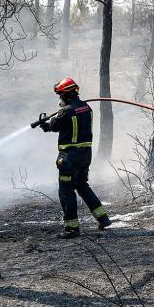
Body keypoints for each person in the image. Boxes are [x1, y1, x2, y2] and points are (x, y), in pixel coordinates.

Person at [41, 77, 111, 239]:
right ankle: (103, 217)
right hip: (85, 155)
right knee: (82, 185)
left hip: (68, 157)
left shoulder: (65, 111)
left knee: (66, 192)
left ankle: (72, 229)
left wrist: (46, 125)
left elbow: (54, 126)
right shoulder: (86, 107)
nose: (60, 98)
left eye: (60, 95)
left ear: (66, 95)